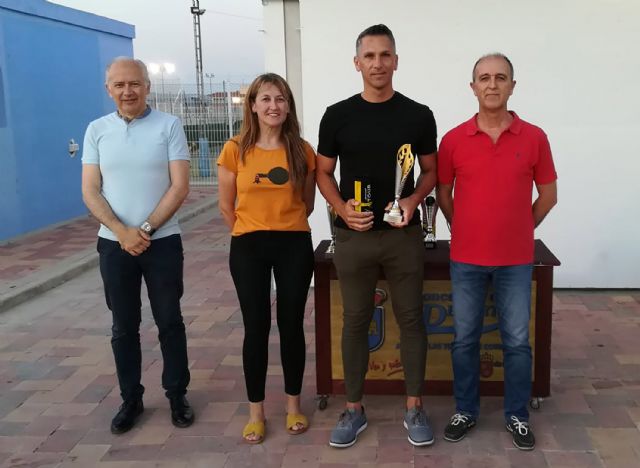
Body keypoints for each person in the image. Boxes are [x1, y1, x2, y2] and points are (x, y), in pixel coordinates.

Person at [316, 24, 437, 448]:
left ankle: (414, 407)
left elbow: (431, 171)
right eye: (369, 56)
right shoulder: (337, 115)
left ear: (396, 61)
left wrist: (414, 200)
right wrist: (341, 208)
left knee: (410, 320)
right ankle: (353, 410)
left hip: (403, 236)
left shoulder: (418, 114)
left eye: (385, 55)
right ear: (356, 63)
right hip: (355, 237)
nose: (378, 63)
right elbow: (324, 172)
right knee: (355, 322)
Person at [437, 53, 558, 451]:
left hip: (516, 260)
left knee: (518, 342)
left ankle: (517, 415)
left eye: (500, 77)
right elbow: (443, 193)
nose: (492, 84)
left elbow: (548, 195)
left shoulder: (535, 137)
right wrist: (461, 227)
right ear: (472, 87)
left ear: (512, 86)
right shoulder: (454, 139)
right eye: (484, 78)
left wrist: (523, 227)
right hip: (467, 259)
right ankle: (466, 410)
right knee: (465, 339)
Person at [81, 57, 194, 434]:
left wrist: (143, 229)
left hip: (162, 242)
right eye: (120, 84)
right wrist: (121, 231)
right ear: (108, 89)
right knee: (123, 326)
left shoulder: (169, 126)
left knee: (169, 322)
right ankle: (131, 399)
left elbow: (179, 186)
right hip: (114, 246)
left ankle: (177, 394)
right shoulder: (96, 130)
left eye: (135, 83)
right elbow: (90, 190)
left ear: (148, 86)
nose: (128, 91)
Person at [217, 73, 316, 444]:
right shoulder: (234, 149)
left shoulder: (301, 150)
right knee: (256, 326)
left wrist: (282, 223)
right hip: (248, 245)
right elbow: (226, 206)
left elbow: (307, 203)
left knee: (291, 325)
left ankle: (293, 407)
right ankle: (255, 412)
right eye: (266, 99)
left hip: (293, 243)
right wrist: (251, 229)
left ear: (288, 106)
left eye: (281, 99)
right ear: (254, 105)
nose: (274, 106)